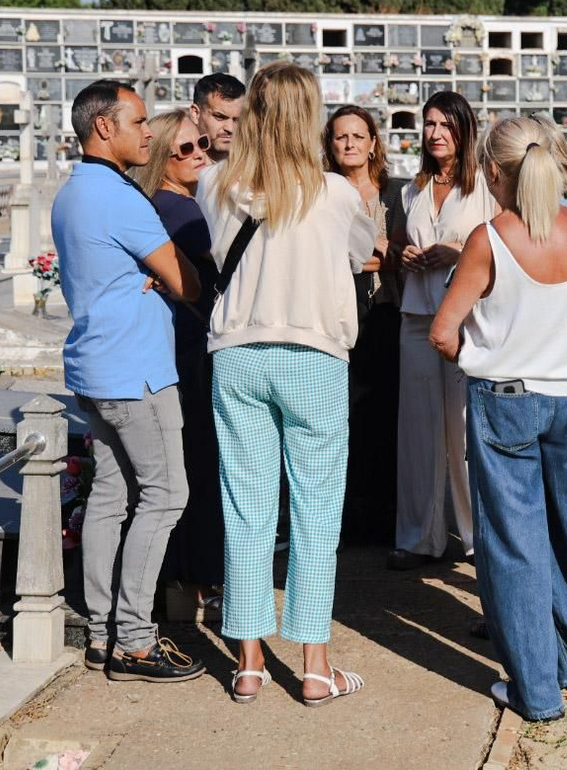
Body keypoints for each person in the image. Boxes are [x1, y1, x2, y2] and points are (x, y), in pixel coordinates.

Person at [429, 116, 567, 721]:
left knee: (514, 549)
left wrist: (479, 355)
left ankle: (537, 691)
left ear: (493, 171)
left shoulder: (489, 239)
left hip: (506, 401)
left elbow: (443, 333)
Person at [196, 62, 378, 705]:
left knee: (246, 509)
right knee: (315, 511)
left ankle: (247, 663)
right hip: (313, 354)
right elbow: (362, 255)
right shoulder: (335, 194)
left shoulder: (214, 181)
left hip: (239, 352)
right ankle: (314, 665)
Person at [52, 81, 204, 682]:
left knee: (111, 498)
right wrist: (169, 277)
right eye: (138, 121)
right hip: (135, 371)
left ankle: (100, 633)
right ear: (104, 128)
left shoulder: (74, 191)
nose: (149, 132)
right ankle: (136, 641)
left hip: (95, 364)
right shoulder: (121, 198)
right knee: (166, 496)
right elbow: (186, 281)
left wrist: (151, 274)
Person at [390, 91, 495, 570]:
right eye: (429, 125)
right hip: (416, 316)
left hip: (466, 320)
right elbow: (397, 246)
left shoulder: (484, 189)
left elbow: (498, 249)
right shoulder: (411, 190)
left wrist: (459, 254)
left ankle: (478, 538)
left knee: (465, 431)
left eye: (444, 126)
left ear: (463, 130)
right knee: (418, 432)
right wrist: (404, 256)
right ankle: (418, 538)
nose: (434, 134)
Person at [133, 109, 223, 618]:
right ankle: (198, 582)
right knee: (199, 464)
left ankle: (188, 580)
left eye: (202, 144)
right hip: (192, 347)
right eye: (184, 149)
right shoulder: (178, 210)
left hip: (182, 342)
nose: (199, 155)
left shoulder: (176, 203)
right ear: (163, 157)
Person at [323, 104, 403, 545]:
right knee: (345, 418)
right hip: (341, 315)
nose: (350, 144)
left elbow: (404, 254)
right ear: (330, 145)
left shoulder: (396, 194)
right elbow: (330, 255)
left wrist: (374, 255)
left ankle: (388, 517)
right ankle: (351, 518)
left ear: (373, 143)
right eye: (341, 137)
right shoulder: (324, 192)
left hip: (388, 313)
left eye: (358, 136)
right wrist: (381, 254)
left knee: (386, 417)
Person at [190, 73, 245, 163]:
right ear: (195, 114)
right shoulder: (179, 169)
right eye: (220, 117)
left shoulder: (255, 168)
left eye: (237, 119)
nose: (230, 128)